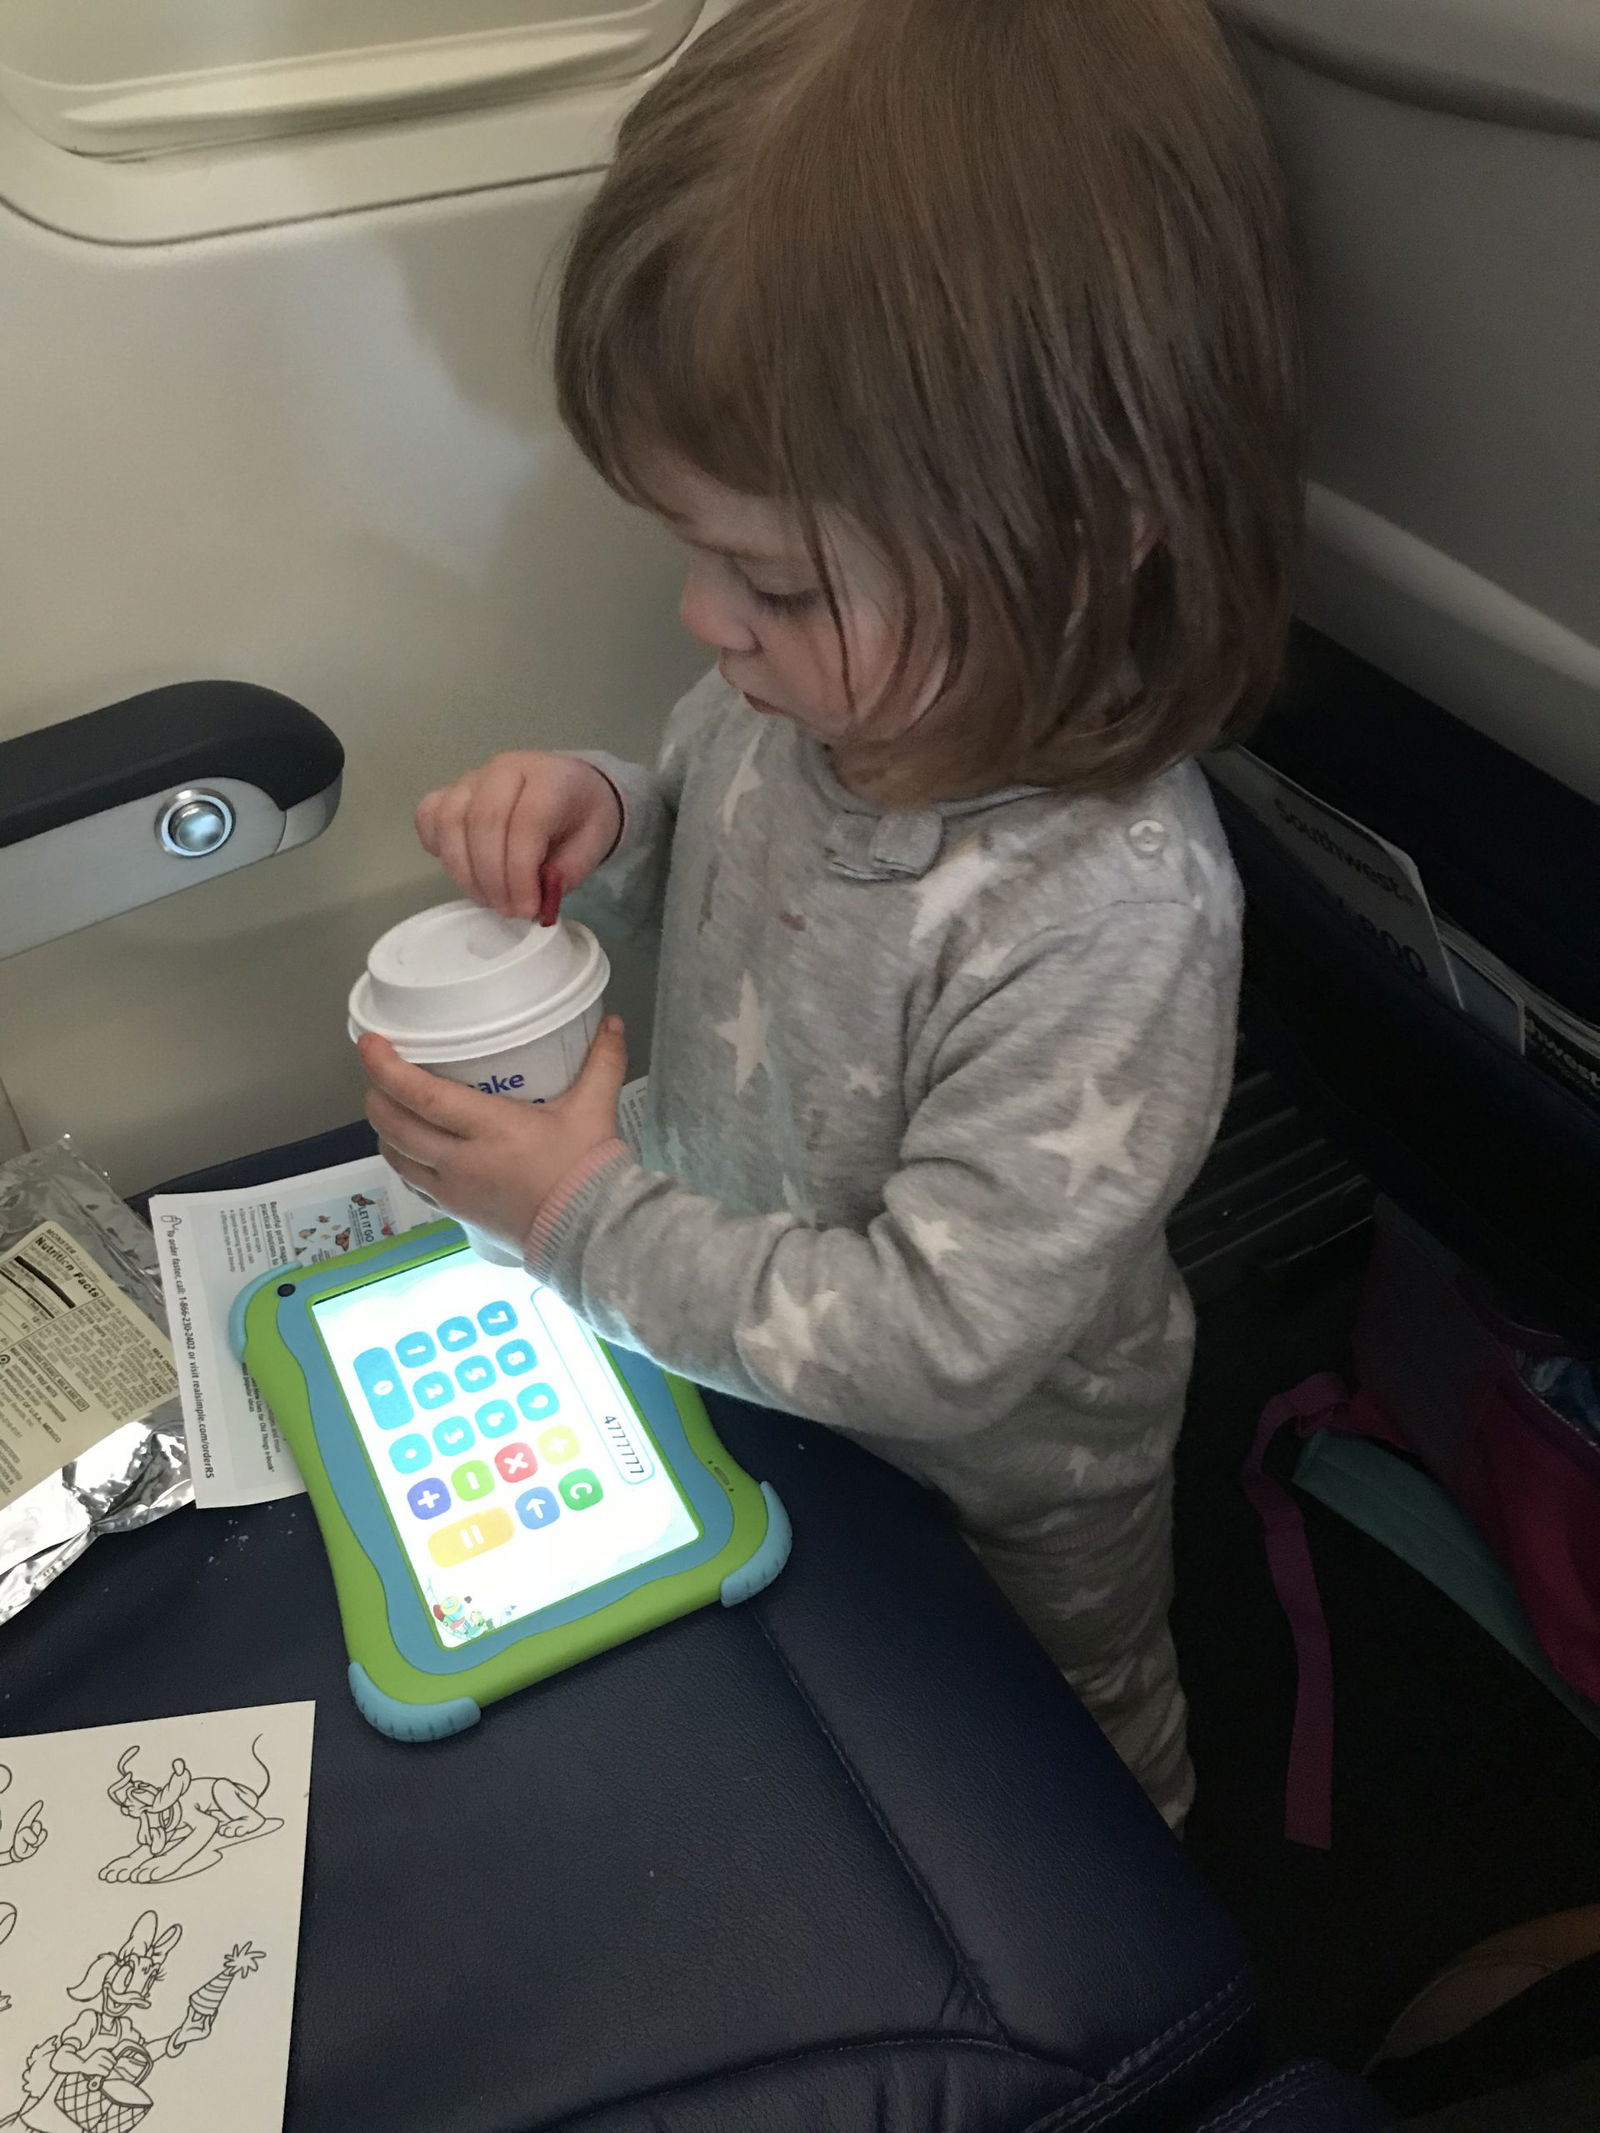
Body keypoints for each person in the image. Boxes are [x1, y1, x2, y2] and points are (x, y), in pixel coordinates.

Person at [360, 0, 1300, 1827]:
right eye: (697, 553)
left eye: (773, 576)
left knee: (1056, 1734)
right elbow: (705, 817)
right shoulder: (812, 694)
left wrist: (577, 1220)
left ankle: (1150, 1905)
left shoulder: (1110, 911)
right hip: (718, 1314)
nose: (710, 618)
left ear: (1093, 531)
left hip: (993, 1476)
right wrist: (596, 813)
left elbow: (945, 1340)